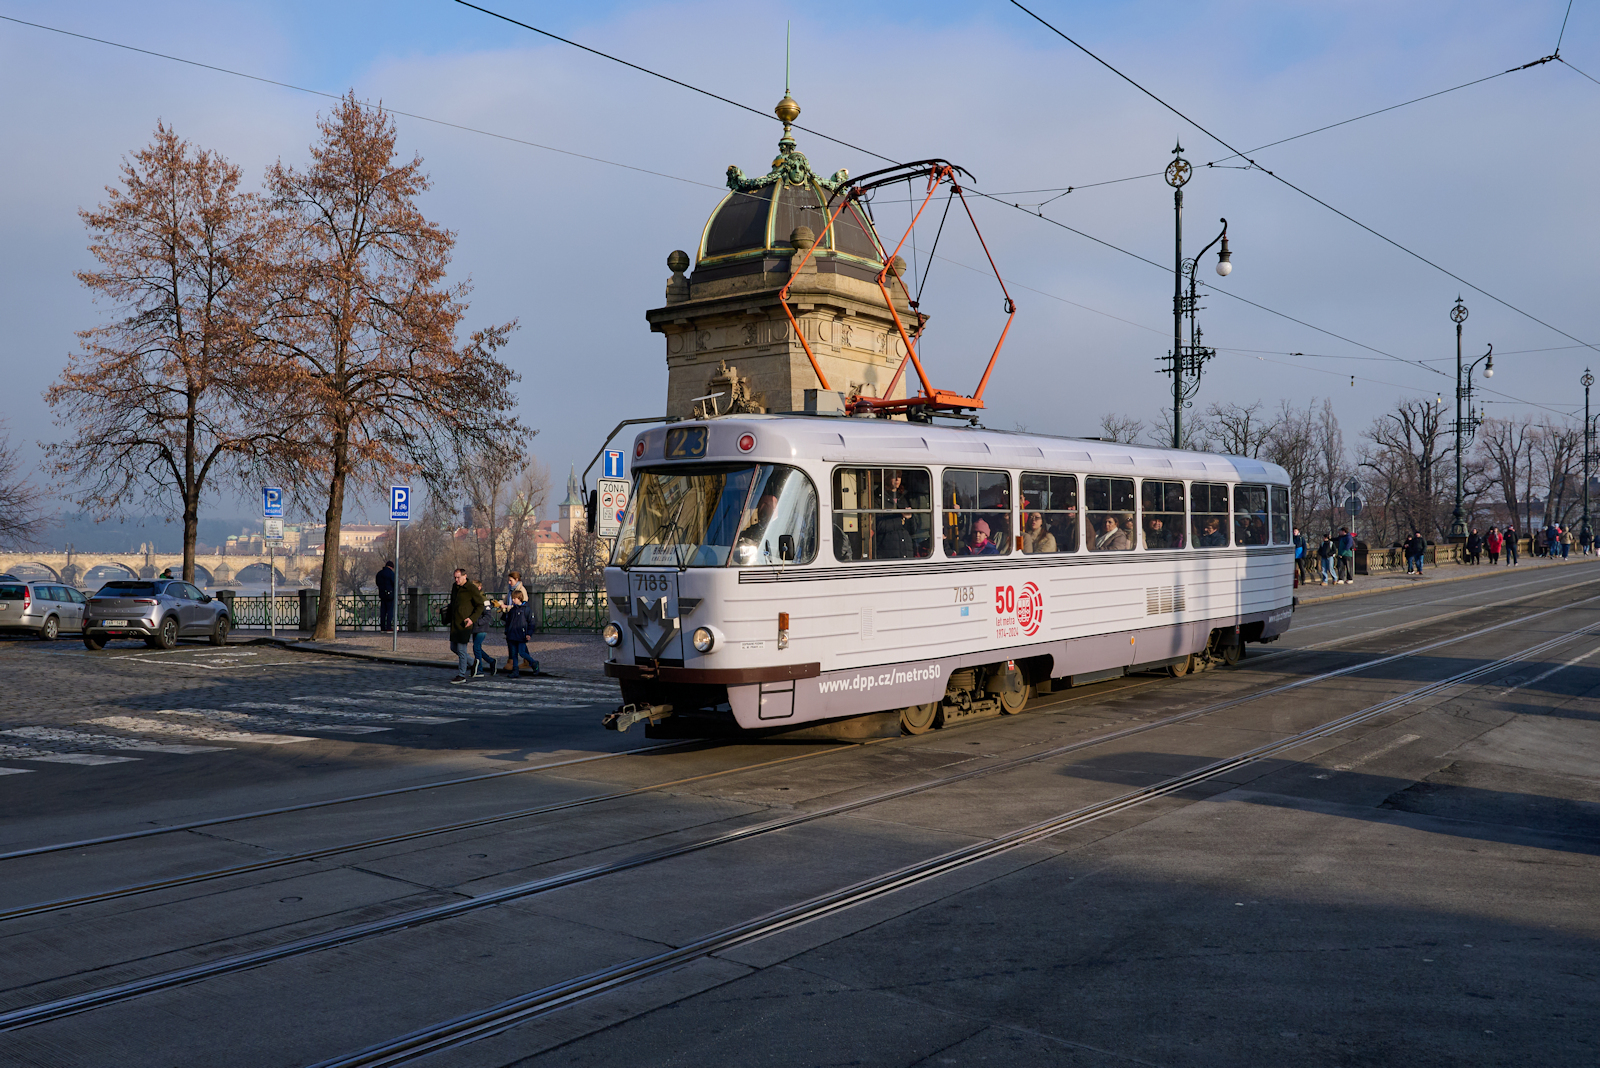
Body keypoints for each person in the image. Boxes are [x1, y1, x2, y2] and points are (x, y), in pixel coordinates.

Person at [446, 569, 485, 684]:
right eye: (455, 578)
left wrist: (472, 619)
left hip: (465, 623)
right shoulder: (455, 587)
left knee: (462, 650)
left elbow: (480, 605)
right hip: (455, 623)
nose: (456, 580)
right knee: (453, 647)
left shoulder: (471, 588)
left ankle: (461, 675)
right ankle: (473, 663)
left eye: (458, 577)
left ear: (465, 576)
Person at [502, 589, 539, 677]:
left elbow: (531, 623)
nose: (513, 600)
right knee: (514, 654)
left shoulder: (526, 610)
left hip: (521, 634)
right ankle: (515, 671)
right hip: (512, 634)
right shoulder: (513, 610)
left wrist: (529, 633)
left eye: (514, 598)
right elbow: (508, 621)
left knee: (522, 652)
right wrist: (507, 631)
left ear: (519, 598)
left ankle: (533, 663)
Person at [470, 580, 498, 676]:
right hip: (475, 626)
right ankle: (491, 661)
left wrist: (478, 622)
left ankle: (479, 669)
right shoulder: (472, 598)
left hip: (481, 627)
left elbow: (488, 615)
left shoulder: (484, 599)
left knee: (476, 646)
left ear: (479, 588)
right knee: (477, 648)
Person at [375, 559, 396, 631]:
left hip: (382, 594)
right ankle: (389, 627)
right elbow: (394, 583)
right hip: (390, 595)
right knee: (389, 611)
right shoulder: (391, 573)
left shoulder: (379, 573)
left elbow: (377, 583)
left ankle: (382, 627)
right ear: (391, 567)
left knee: (383, 612)